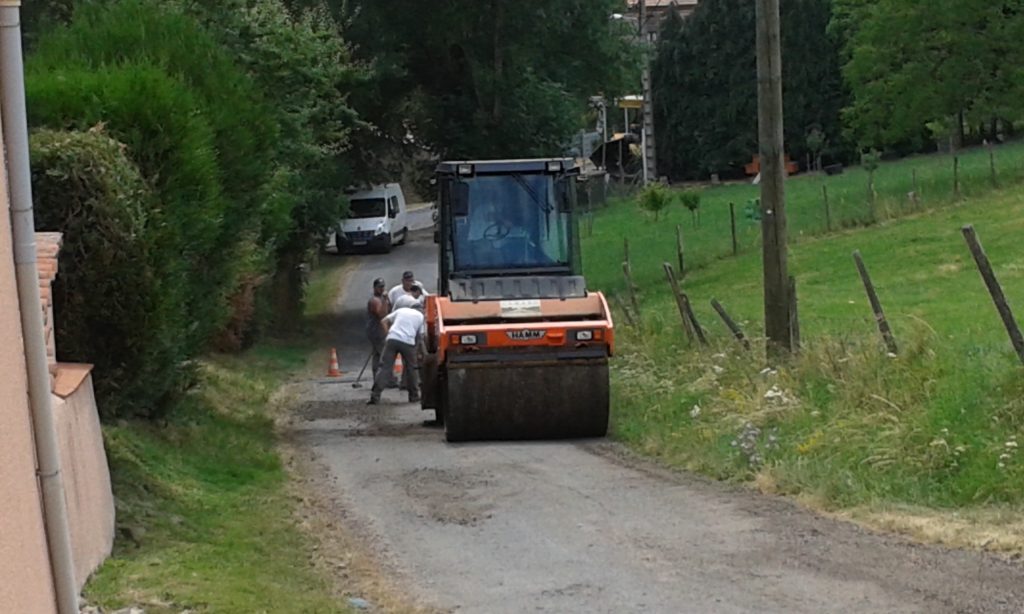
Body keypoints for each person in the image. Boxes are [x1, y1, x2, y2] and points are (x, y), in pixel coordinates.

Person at [368, 294, 424, 405]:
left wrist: (388, 333)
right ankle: (414, 396)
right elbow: (420, 336)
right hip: (408, 342)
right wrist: (418, 351)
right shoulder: (420, 317)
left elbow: (384, 321)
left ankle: (375, 395)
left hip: (392, 339)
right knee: (411, 369)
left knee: (385, 367)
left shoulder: (401, 310)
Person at [365, 277, 393, 384]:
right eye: (379, 287)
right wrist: (385, 300)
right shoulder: (374, 301)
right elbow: (381, 314)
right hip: (376, 331)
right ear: (374, 288)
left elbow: (390, 311)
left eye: (382, 287)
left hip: (380, 330)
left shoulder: (382, 299)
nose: (381, 289)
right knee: (385, 355)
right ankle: (386, 380)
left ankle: (377, 379)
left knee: (377, 355)